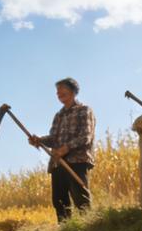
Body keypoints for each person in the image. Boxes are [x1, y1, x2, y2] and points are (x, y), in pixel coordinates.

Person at [30, 78, 95, 222]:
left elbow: (86, 136)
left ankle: (89, 227)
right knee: (59, 201)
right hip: (58, 162)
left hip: (77, 160)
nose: (58, 93)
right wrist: (39, 140)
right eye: (57, 91)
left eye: (62, 89)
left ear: (73, 91)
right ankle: (65, 230)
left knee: (80, 198)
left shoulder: (83, 110)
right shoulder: (59, 115)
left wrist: (66, 148)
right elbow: (54, 139)